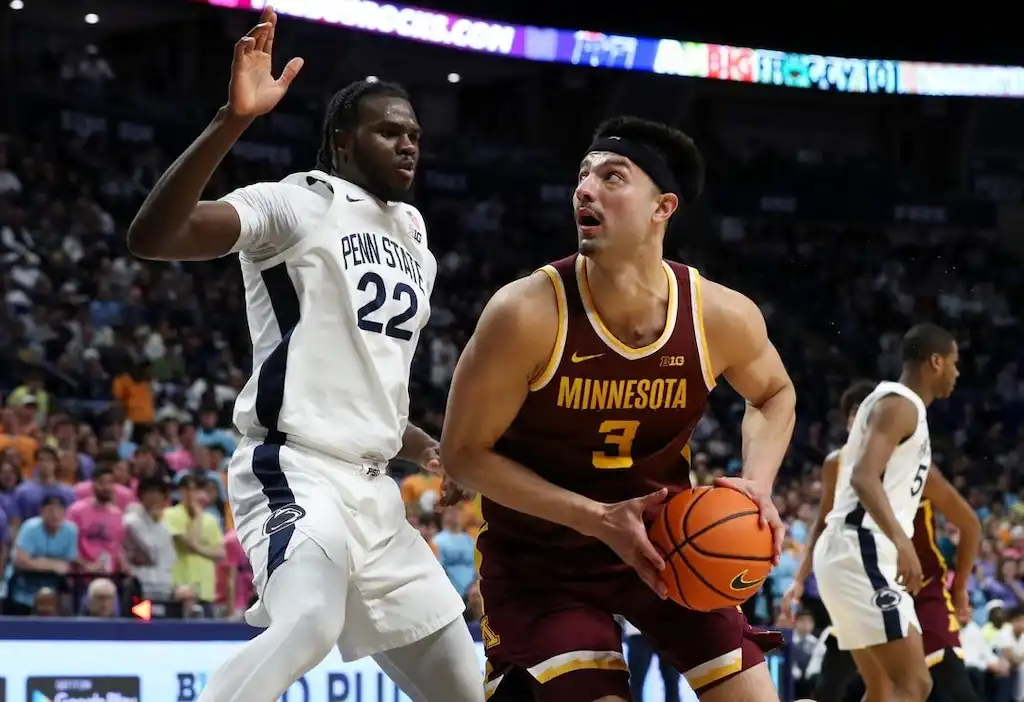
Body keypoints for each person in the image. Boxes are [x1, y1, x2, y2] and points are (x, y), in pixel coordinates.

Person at [126, 8, 477, 702]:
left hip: (376, 493)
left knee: (469, 691)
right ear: (343, 142)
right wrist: (233, 121)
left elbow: (361, 380)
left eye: (414, 134)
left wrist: (424, 445)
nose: (408, 145)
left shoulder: (414, 233)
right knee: (310, 620)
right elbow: (156, 235)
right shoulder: (299, 203)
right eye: (389, 131)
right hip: (296, 470)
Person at [440, 115, 796, 702]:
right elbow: (462, 453)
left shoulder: (716, 315)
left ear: (663, 207)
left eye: (612, 176)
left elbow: (774, 393)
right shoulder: (526, 313)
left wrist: (757, 483)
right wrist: (597, 518)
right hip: (542, 560)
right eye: (582, 176)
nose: (585, 189)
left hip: (666, 545)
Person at [786, 378, 982, 702]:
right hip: (866, 570)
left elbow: (970, 524)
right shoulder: (839, 464)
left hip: (922, 584)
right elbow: (822, 522)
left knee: (948, 687)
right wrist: (798, 578)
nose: (855, 422)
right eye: (851, 415)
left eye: (861, 413)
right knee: (856, 685)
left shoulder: (913, 465)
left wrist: (959, 587)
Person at [811, 323, 960, 702]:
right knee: (913, 684)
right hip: (861, 546)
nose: (958, 373)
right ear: (936, 362)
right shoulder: (900, 404)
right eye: (955, 363)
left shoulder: (898, 406)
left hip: (854, 551)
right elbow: (862, 476)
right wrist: (901, 540)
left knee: (882, 690)